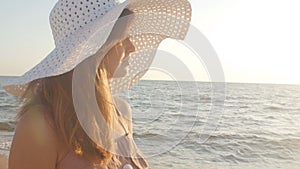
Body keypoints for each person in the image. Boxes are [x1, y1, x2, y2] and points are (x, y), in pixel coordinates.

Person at [3, 0, 191, 168]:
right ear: (97, 47)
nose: (132, 47)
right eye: (124, 37)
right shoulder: (40, 127)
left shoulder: (121, 112)